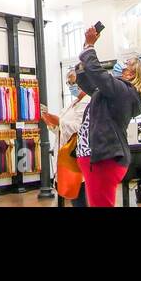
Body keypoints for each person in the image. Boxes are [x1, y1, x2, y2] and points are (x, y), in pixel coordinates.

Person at [73, 24, 141, 207]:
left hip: (104, 160)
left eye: (127, 64)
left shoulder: (123, 91)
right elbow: (90, 82)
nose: (121, 65)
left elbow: (99, 75)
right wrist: (85, 50)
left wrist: (90, 47)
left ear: (132, 74)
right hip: (98, 158)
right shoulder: (116, 93)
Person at [40, 67, 89, 208]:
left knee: (80, 194)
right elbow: (62, 128)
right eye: (68, 83)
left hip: (79, 155)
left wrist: (59, 122)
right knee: (73, 193)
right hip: (67, 155)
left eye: (72, 82)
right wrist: (51, 122)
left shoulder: (87, 102)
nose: (71, 87)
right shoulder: (73, 103)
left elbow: (80, 128)